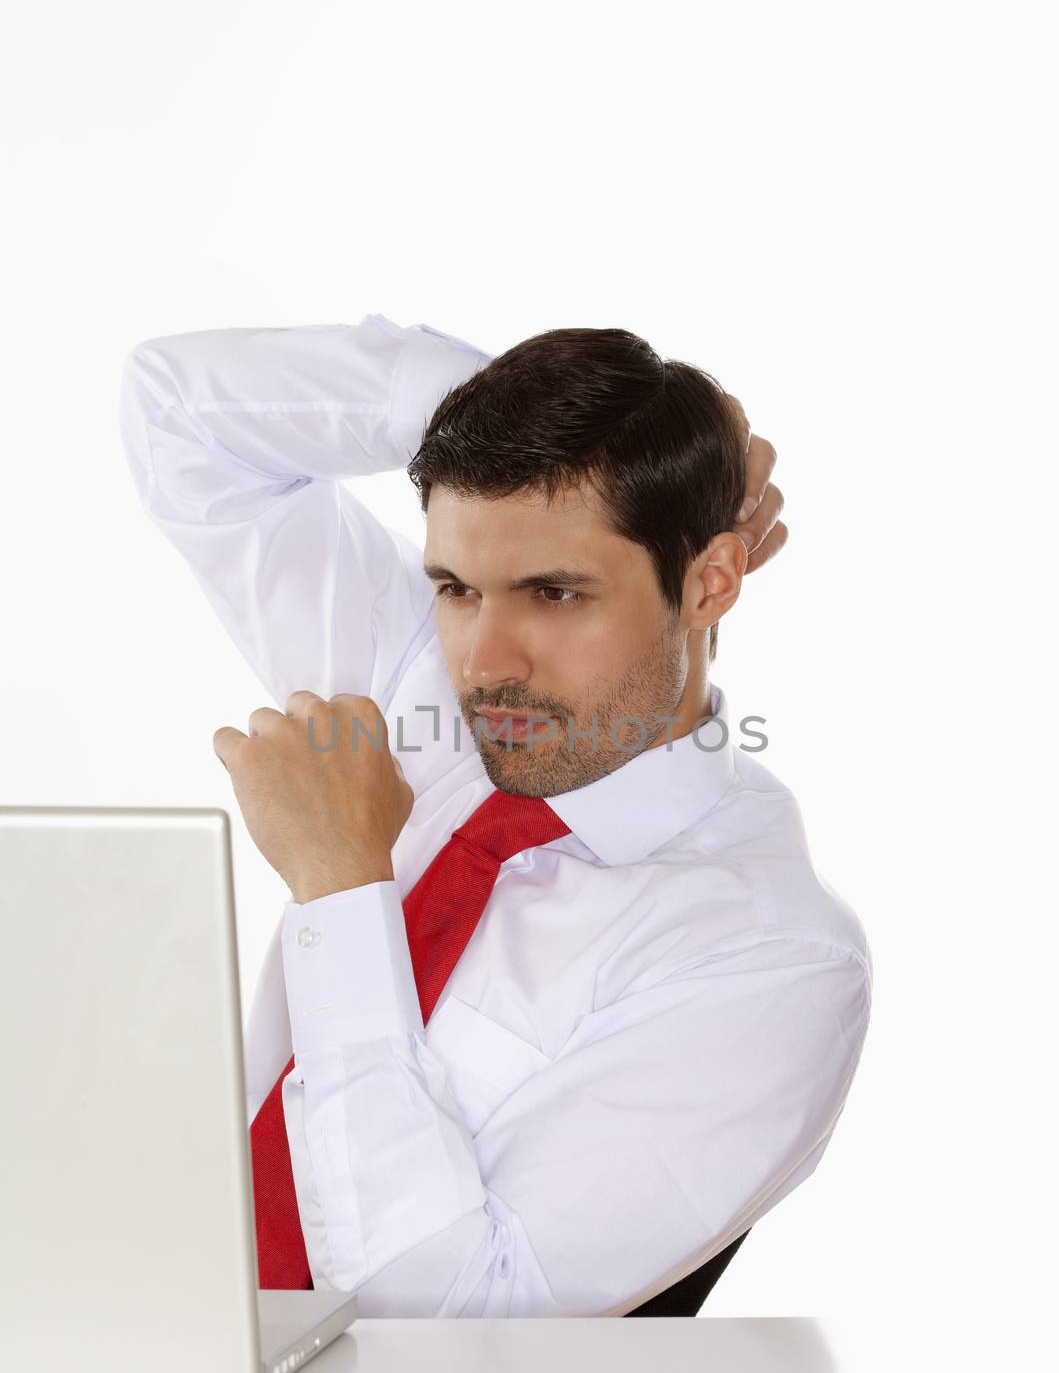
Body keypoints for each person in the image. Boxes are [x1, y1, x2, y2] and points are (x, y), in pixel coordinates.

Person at [118, 315, 871, 1316]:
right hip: (146, 1348)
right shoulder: (419, 683)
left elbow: (449, 1315)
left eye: (553, 592)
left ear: (709, 581)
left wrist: (342, 884)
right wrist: (494, 410)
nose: (483, 662)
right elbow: (176, 410)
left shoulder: (769, 958)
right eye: (455, 587)